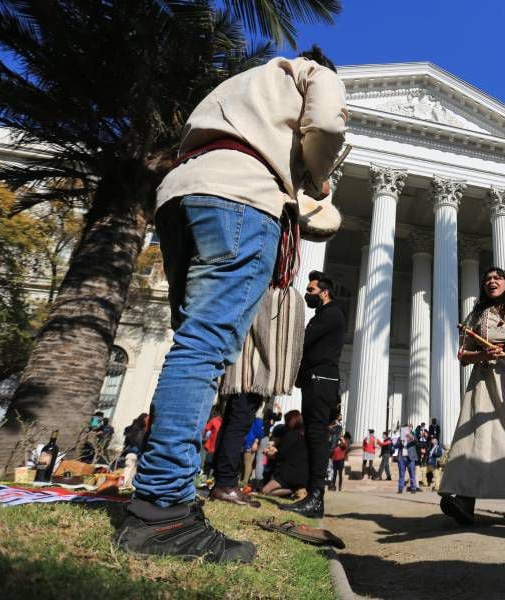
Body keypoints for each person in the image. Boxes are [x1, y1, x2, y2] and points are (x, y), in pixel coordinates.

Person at [116, 47, 347, 564]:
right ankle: (161, 510)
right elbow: (328, 125)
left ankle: (162, 491)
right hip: (240, 197)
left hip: (180, 195)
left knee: (191, 344)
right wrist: (318, 177)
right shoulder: (312, 75)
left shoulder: (243, 84)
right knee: (206, 349)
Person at [439, 267, 505, 526]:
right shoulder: (477, 316)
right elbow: (463, 354)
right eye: (487, 279)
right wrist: (483, 355)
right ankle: (465, 500)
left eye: (497, 278)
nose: (491, 281)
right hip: (484, 383)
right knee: (475, 438)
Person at [283, 270, 346, 519]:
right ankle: (311, 494)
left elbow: (304, 341)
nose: (308, 294)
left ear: (324, 292)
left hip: (322, 382)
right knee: (312, 436)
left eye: (311, 291)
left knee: (317, 437)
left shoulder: (331, 314)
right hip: (316, 381)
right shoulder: (324, 315)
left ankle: (316, 497)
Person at [206, 393, 263, 507]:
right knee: (242, 415)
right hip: (248, 379)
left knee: (235, 415)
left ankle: (223, 482)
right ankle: (226, 485)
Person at [261, 410, 308, 498]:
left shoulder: (292, 434)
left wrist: (270, 454)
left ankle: (293, 490)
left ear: (291, 421)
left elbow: (281, 454)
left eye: (287, 420)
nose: (285, 423)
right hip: (301, 473)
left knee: (265, 491)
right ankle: (294, 490)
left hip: (288, 473)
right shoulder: (303, 435)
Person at [395, 429, 419, 494]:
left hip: (410, 458)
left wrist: (412, 437)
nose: (405, 433)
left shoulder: (412, 437)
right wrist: (401, 442)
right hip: (401, 458)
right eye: (404, 431)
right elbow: (396, 446)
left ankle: (413, 488)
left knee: (412, 474)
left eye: (406, 431)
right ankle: (400, 488)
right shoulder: (400, 438)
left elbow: (417, 442)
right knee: (401, 474)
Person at [202, 407, 223, 478]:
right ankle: (211, 477)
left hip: (212, 445)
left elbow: (205, 429)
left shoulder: (213, 420)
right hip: (219, 446)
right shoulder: (222, 421)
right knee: (215, 462)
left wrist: (203, 437)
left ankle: (205, 476)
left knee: (208, 461)